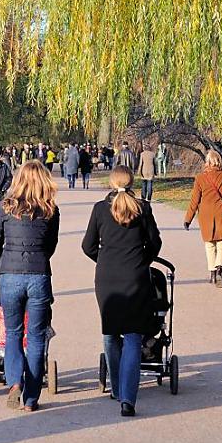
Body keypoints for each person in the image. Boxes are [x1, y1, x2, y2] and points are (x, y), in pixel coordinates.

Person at [82, 165, 162, 417]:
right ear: (132, 181)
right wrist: (142, 260)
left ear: (110, 182)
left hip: (107, 278)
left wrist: (103, 259)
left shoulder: (99, 209)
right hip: (135, 276)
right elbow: (155, 242)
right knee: (133, 336)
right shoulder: (143, 208)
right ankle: (128, 398)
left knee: (111, 333)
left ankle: (116, 389)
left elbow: (88, 246)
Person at [0, 160, 60, 412]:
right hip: (38, 274)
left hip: (10, 274)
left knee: (14, 333)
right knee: (37, 337)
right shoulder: (50, 210)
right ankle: (31, 398)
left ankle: (14, 382)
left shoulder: (5, 208)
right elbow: (51, 246)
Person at [183, 150, 222, 287]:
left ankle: (213, 273)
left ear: (207, 162)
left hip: (206, 214)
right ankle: (220, 268)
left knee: (209, 244)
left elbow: (195, 200)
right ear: (219, 161)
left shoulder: (200, 178)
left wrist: (188, 219)